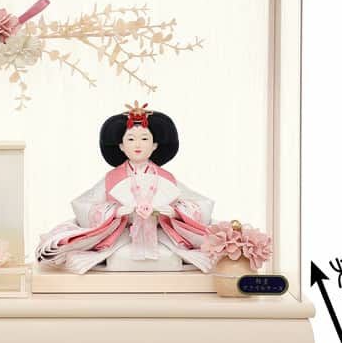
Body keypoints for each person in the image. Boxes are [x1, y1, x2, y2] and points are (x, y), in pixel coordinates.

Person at [35, 101, 214, 274]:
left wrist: (175, 212)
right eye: (131, 139)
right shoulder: (112, 178)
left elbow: (200, 205)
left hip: (160, 234)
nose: (138, 144)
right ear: (121, 145)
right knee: (118, 257)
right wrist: (114, 212)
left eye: (144, 138)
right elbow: (84, 205)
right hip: (122, 235)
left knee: (171, 257)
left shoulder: (166, 178)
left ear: (154, 145)